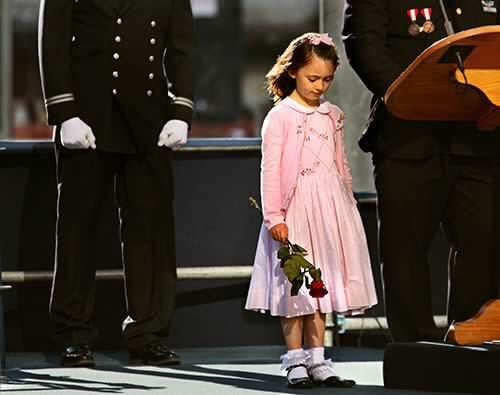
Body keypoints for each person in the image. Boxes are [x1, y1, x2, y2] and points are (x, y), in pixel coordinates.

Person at [38, 0, 194, 367]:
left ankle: (148, 333)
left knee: (151, 230)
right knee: (77, 229)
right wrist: (64, 112)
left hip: (150, 116)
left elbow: (183, 46)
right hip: (85, 117)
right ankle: (74, 335)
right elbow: (53, 40)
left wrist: (182, 111)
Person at [343, 0, 500, 342]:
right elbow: (362, 43)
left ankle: (469, 340)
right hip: (408, 138)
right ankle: (414, 349)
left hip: (476, 136)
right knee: (405, 251)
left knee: (483, 241)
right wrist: (405, 95)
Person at [245, 32, 377, 388]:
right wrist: (274, 216)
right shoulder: (281, 117)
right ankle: (295, 359)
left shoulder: (332, 114)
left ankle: (318, 359)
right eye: (312, 78)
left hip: (329, 206)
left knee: (321, 286)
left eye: (327, 79)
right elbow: (270, 170)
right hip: (296, 209)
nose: (320, 86)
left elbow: (340, 163)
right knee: (296, 288)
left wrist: (347, 201)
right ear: (293, 72)